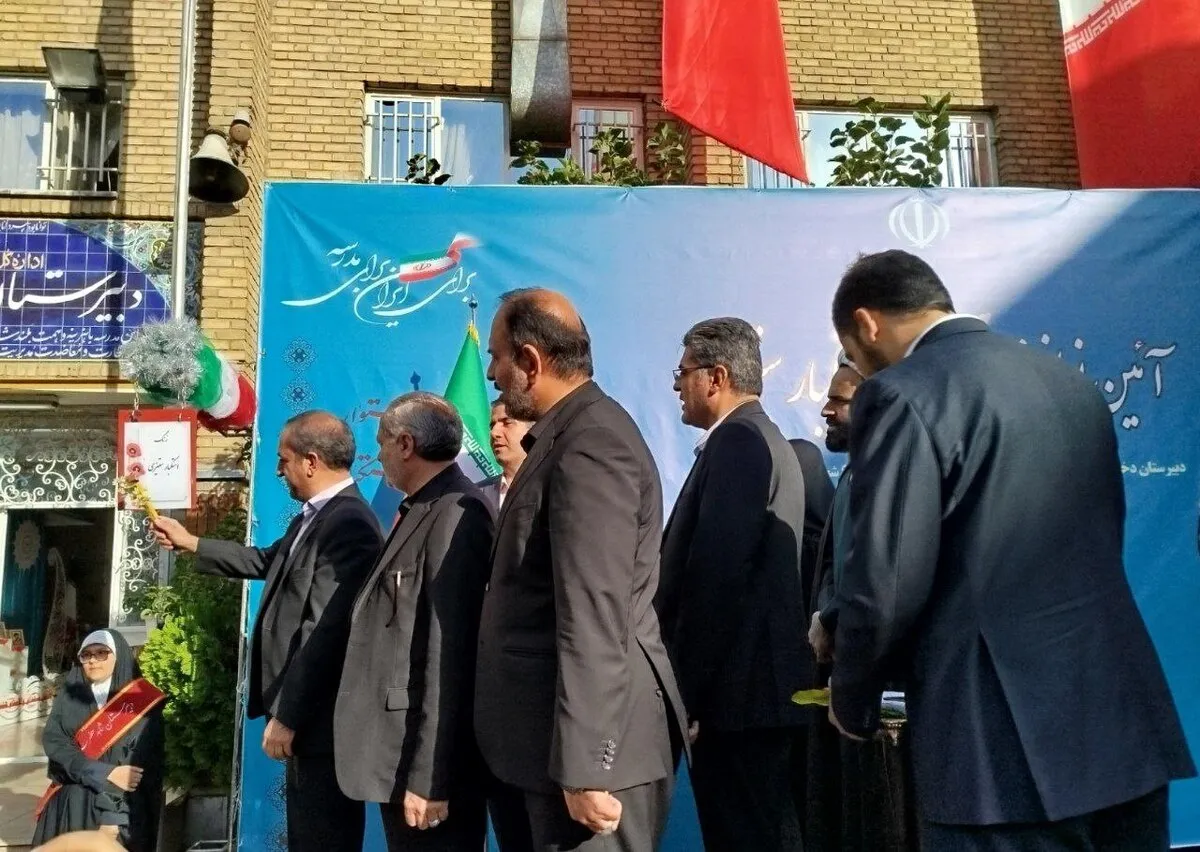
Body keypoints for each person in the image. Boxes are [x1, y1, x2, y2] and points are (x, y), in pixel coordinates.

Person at [827, 249, 1195, 850]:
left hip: (996, 751)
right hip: (1119, 725)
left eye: (850, 351)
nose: (858, 368)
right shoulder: (1069, 381)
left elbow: (888, 579)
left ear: (866, 324)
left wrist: (853, 698)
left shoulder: (901, 393)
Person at [475, 288, 687, 851]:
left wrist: (588, 764)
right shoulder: (565, 435)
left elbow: (595, 610)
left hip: (589, 762)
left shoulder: (592, 444)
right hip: (542, 749)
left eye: (496, 357)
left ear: (530, 361)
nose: (491, 375)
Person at [151, 410, 383, 852]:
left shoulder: (348, 522)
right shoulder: (315, 517)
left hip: (320, 724)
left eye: (283, 459)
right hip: (309, 725)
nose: (278, 470)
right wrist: (192, 543)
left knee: (323, 841)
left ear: (311, 462)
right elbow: (266, 561)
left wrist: (289, 715)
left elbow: (325, 633)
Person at [656, 317, 810, 852]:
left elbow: (717, 579)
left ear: (716, 377)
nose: (677, 385)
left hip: (738, 700)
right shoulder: (754, 438)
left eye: (682, 373)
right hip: (748, 697)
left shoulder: (740, 441)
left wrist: (688, 697)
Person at [334, 392, 494, 851]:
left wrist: (431, 776)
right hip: (397, 755)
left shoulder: (457, 513)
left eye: (382, 442)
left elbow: (450, 653)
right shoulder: (421, 508)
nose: (379, 454)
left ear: (406, 444)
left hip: (425, 769)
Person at [33, 630, 165, 852]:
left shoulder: (141, 701)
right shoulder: (70, 696)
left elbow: (135, 767)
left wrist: (112, 818)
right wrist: (101, 772)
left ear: (118, 655)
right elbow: (57, 746)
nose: (93, 660)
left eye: (102, 653)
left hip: (120, 811)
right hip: (71, 808)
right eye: (86, 655)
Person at [479, 399, 532, 510]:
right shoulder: (476, 494)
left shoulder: (553, 485)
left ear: (532, 430)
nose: (494, 433)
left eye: (507, 422)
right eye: (492, 426)